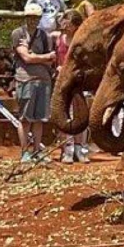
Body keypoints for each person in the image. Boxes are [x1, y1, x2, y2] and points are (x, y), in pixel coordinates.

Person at [12, 4, 57, 162]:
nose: (32, 20)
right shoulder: (18, 33)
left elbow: (52, 59)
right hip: (25, 79)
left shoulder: (45, 36)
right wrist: (43, 57)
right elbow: (26, 58)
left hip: (43, 80)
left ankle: (37, 150)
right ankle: (25, 151)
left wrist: (36, 56)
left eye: (35, 18)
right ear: (25, 18)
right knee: (25, 118)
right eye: (30, 17)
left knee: (40, 119)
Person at [55, 9, 91, 163]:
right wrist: (57, 67)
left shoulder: (83, 40)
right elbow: (56, 57)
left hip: (78, 80)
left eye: (68, 25)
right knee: (65, 113)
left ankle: (80, 148)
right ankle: (67, 149)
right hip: (62, 80)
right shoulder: (59, 39)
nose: (65, 27)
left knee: (80, 113)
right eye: (64, 24)